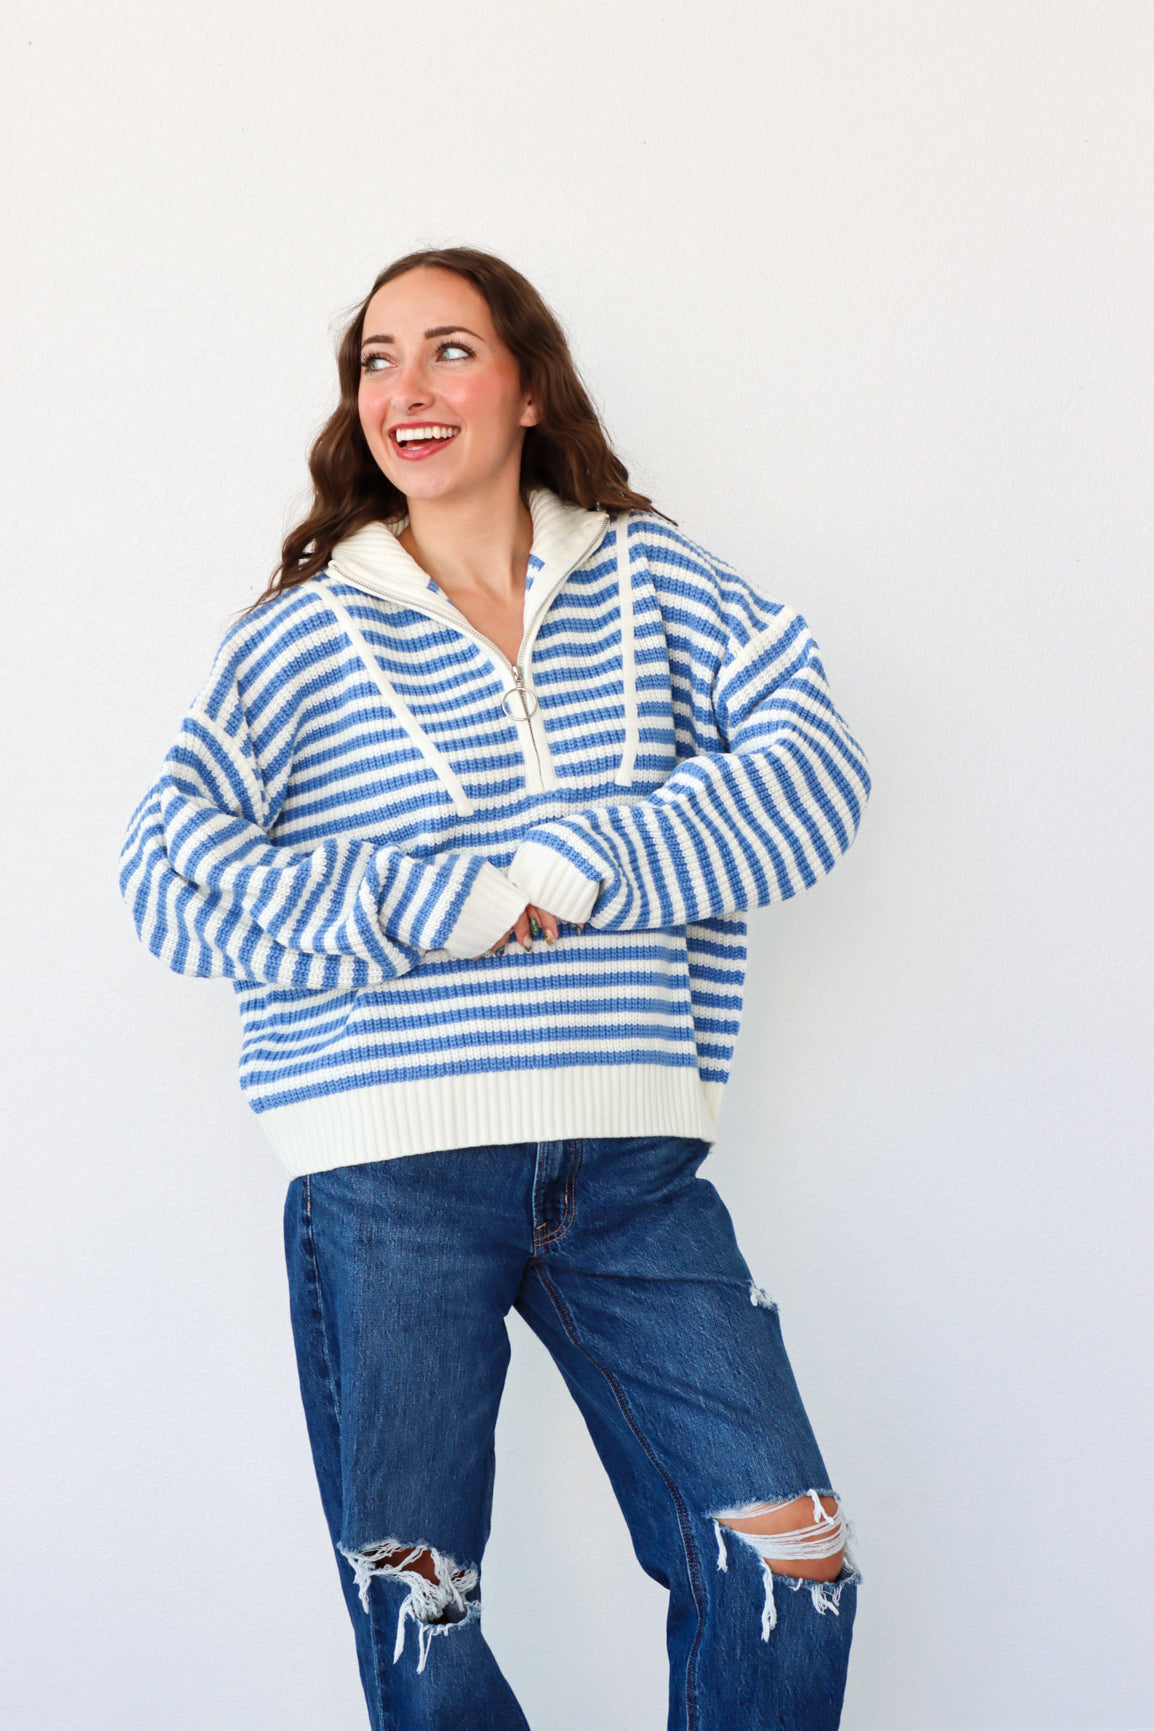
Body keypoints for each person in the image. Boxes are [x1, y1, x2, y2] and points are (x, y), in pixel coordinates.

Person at [120, 246, 870, 1730]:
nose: (407, 388)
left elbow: (816, 776)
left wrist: (583, 862)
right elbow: (171, 879)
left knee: (791, 1559)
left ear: (527, 384)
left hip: (632, 1165)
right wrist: (441, 903)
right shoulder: (300, 637)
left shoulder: (655, 581)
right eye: (376, 359)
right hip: (386, 1175)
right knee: (424, 1611)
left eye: (449, 349)